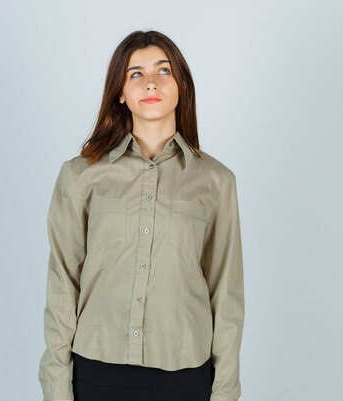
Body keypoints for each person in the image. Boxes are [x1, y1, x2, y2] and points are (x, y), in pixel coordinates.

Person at [38, 29, 245, 401]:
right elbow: (62, 286)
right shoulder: (80, 176)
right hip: (96, 371)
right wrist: (56, 387)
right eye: (136, 74)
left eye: (163, 71)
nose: (151, 82)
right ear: (120, 91)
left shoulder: (216, 181)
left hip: (184, 376)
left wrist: (225, 391)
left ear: (181, 85)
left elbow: (226, 296)